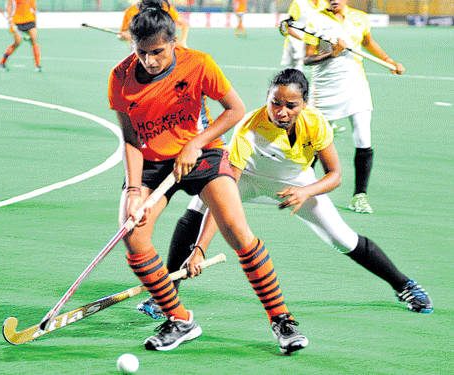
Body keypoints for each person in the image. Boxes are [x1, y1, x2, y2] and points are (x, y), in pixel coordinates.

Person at [137, 69, 433, 323]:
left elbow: (335, 176)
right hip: (246, 180)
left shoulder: (316, 123)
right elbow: (226, 190)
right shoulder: (249, 129)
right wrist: (200, 249)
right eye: (274, 103)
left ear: (305, 103)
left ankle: (404, 285)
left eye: (291, 105)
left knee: (343, 239)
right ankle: (166, 296)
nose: (281, 111)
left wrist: (306, 191)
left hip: (296, 184)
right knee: (197, 208)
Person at [108, 2, 308, 354]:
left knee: (237, 231)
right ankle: (180, 319)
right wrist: (135, 190)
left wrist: (195, 144)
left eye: (157, 52)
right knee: (134, 239)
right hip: (152, 164)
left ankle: (281, 320)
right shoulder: (120, 77)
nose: (149, 61)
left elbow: (236, 109)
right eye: (142, 52)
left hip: (202, 154)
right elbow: (130, 139)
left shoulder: (198, 63)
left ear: (174, 41)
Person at [303, 0, 405, 213]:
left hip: (355, 84)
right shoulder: (315, 20)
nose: (334, 1)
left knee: (363, 137)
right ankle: (303, 187)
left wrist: (389, 60)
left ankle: (360, 196)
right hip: (324, 88)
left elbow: (368, 42)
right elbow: (308, 58)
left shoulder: (360, 18)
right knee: (314, 141)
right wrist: (332, 53)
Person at [119, 0, 189, 49]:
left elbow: (184, 24)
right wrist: (124, 36)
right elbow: (123, 33)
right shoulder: (130, 12)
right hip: (139, 50)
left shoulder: (165, 7)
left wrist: (182, 41)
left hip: (162, 48)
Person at [280, 0, 327, 71]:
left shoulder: (325, 3)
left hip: (315, 44)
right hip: (296, 45)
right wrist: (302, 39)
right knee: (294, 74)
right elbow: (287, 26)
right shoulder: (299, 3)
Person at [0, 0, 42, 72]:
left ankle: (38, 65)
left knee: (34, 39)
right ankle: (2, 62)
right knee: (17, 42)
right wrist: (10, 18)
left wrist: (35, 16)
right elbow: (9, 5)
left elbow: (34, 6)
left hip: (30, 19)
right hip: (17, 21)